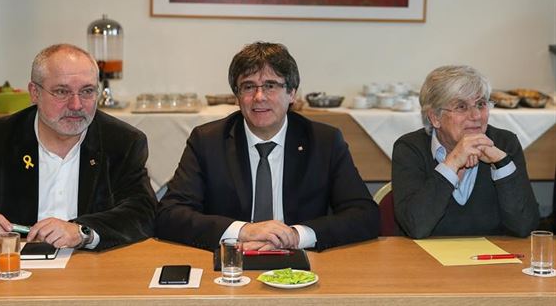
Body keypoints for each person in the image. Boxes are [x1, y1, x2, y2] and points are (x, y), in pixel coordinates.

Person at [156, 41, 379, 251]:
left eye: (270, 86)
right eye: (248, 87)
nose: (259, 97)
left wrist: (297, 236)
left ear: (291, 93)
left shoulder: (324, 142)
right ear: (237, 96)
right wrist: (243, 231)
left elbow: (365, 215)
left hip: (302, 265)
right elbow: (170, 214)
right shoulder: (208, 141)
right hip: (231, 264)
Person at [0, 44, 156, 251]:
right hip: (11, 270)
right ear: (34, 93)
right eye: (62, 92)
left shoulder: (122, 142)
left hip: (90, 269)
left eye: (87, 91)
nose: (76, 105)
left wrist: (82, 232)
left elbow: (143, 212)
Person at [392, 65, 539, 239]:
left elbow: (525, 227)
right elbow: (416, 226)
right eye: (461, 107)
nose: (476, 115)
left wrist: (502, 163)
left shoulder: (504, 144)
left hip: (491, 261)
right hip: (426, 261)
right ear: (435, 118)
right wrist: (452, 163)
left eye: (481, 104)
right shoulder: (410, 148)